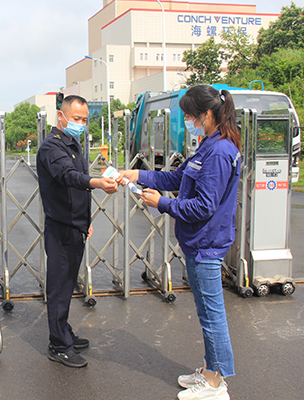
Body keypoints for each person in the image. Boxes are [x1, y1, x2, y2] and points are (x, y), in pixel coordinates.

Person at [118, 85, 240, 399]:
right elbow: (177, 178)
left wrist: (162, 203)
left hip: (207, 244)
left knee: (212, 315)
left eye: (189, 115)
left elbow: (204, 206)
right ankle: (210, 371)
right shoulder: (208, 145)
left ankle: (215, 384)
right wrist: (137, 175)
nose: (187, 121)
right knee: (207, 312)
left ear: (206, 114)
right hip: (198, 242)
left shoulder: (220, 151)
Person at [37, 95, 118, 368]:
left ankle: (63, 332)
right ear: (61, 116)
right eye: (76, 119)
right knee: (59, 287)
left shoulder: (72, 143)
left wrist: (85, 220)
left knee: (67, 283)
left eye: (84, 120)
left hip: (75, 225)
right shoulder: (52, 147)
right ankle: (59, 345)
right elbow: (69, 177)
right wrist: (98, 182)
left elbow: (76, 192)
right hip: (61, 228)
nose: (81, 124)